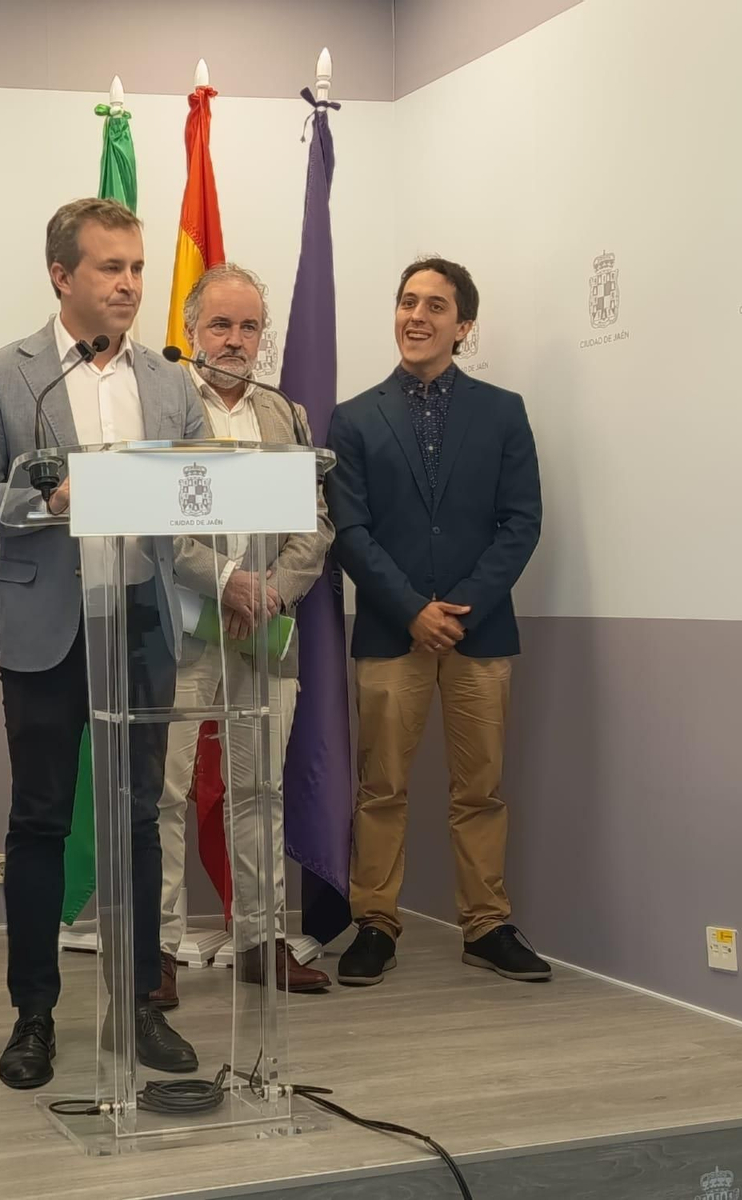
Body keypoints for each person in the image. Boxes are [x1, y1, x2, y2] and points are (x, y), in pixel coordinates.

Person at [0, 197, 205, 1090]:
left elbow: (200, 491)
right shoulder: (4, 375)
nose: (131, 284)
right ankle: (34, 1017)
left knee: (137, 819)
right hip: (47, 626)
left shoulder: (171, 380)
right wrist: (41, 500)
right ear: (62, 275)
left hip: (140, 623)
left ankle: (137, 1006)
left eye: (137, 267)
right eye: (111, 267)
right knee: (41, 821)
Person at [325, 257, 547, 987]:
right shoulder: (353, 418)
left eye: (436, 306)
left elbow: (521, 522)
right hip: (394, 631)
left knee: (479, 790)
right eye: (407, 302)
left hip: (479, 633)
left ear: (464, 325)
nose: (417, 316)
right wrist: (412, 610)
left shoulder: (503, 410)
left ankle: (486, 925)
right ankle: (375, 924)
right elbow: (350, 530)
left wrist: (460, 609)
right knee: (380, 788)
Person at [154, 264, 335, 1008]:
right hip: (181, 630)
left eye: (249, 326)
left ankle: (261, 941)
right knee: (164, 794)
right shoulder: (162, 405)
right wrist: (225, 579)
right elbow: (155, 519)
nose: (234, 340)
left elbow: (314, 527)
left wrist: (268, 594)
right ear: (192, 330)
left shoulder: (284, 414)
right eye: (220, 325)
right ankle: (158, 949)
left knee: (258, 790)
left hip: (265, 628)